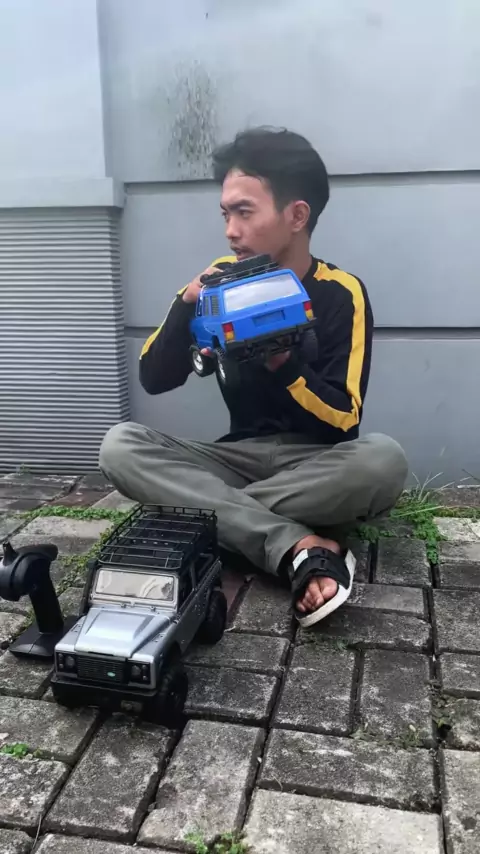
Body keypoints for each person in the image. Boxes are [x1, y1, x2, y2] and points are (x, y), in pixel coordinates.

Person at [100, 127, 408, 628]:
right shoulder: (218, 281)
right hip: (235, 458)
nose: (231, 230)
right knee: (120, 446)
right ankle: (299, 543)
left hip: (314, 463)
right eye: (225, 214)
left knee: (383, 461)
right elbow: (154, 376)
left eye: (244, 212)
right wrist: (186, 304)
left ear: (297, 215)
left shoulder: (341, 292)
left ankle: (209, 522)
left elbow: (343, 420)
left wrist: (283, 363)